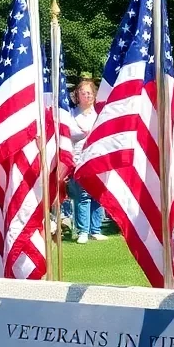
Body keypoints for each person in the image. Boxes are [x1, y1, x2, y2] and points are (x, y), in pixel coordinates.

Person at [69, 79, 105, 244]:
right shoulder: (71, 115)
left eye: (89, 92)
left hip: (96, 158)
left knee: (98, 194)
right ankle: (83, 230)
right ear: (78, 95)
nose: (86, 96)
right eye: (83, 93)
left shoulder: (99, 116)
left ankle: (95, 229)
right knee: (83, 195)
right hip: (79, 159)